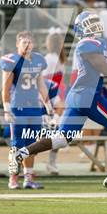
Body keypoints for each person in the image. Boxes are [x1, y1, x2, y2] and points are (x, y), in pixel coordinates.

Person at [11, 11, 107, 195]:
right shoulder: (88, 44)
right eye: (90, 22)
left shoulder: (96, 44)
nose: (95, 24)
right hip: (89, 96)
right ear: (82, 28)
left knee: (61, 139)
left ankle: (21, 153)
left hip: (78, 97)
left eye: (95, 21)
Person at [0, 31, 52, 190]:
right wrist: (6, 108)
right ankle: (13, 178)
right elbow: (6, 87)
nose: (27, 45)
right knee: (17, 145)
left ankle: (28, 177)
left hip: (34, 108)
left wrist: (48, 105)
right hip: (18, 107)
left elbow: (41, 84)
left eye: (30, 42)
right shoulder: (11, 61)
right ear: (17, 44)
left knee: (32, 145)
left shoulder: (38, 60)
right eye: (24, 42)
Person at [42, 29, 67, 174]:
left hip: (49, 96)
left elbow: (45, 81)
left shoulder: (51, 58)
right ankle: (51, 162)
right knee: (57, 132)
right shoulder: (58, 59)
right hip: (52, 96)